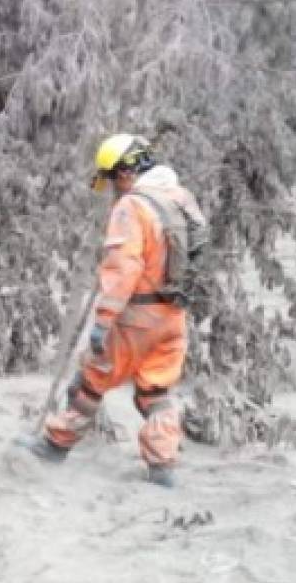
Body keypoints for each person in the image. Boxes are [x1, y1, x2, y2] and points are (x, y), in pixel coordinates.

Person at [19, 134, 208, 488]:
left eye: (111, 179)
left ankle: (54, 446)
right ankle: (162, 468)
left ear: (124, 172)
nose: (112, 189)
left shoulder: (132, 206)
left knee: (91, 381)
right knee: (157, 392)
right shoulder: (179, 197)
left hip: (135, 316)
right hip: (173, 314)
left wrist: (104, 320)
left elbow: (123, 266)